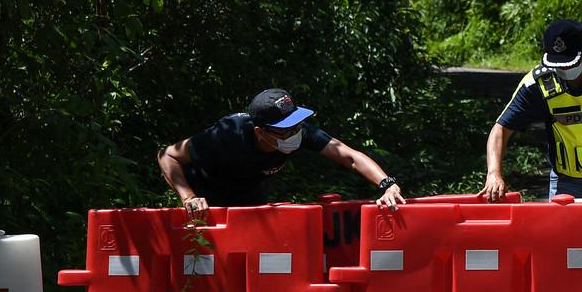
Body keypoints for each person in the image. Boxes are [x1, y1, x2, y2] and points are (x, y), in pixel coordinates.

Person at [158, 88, 405, 212]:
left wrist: (388, 185)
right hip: (205, 204)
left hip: (248, 199)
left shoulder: (301, 132)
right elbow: (167, 155)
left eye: (296, 125)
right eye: (285, 130)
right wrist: (189, 197)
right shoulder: (227, 134)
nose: (294, 133)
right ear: (260, 132)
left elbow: (349, 156)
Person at [481, 19, 582, 205]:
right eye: (558, 64)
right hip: (566, 184)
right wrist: (493, 173)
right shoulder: (537, 83)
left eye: (570, 63)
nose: (564, 70)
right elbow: (500, 129)